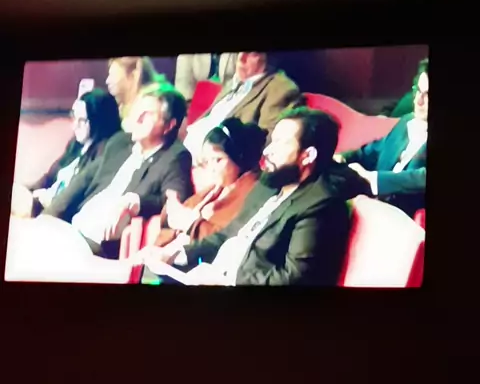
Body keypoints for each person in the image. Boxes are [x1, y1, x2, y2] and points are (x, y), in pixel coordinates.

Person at [142, 108, 351, 287]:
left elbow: (294, 277)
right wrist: (176, 254)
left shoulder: (321, 205)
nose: (268, 150)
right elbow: (227, 235)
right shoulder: (268, 185)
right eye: (272, 141)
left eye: (281, 143)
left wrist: (227, 280)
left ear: (308, 155)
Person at [44, 83, 193, 257]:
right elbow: (82, 181)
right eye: (137, 111)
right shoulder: (120, 142)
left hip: (97, 246)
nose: (137, 119)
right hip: (73, 229)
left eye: (146, 114)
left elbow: (173, 202)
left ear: (169, 125)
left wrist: (136, 201)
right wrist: (47, 219)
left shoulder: (175, 156)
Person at [141, 118, 267, 254]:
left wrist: (190, 223)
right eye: (207, 161)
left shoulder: (251, 194)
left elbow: (224, 239)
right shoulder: (216, 189)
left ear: (238, 157)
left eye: (218, 160)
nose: (211, 168)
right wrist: (172, 210)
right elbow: (180, 214)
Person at [11, 89, 122, 220]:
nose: (74, 126)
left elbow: (70, 199)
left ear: (98, 121)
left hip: (50, 212)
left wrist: (39, 208)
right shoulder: (76, 145)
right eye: (74, 117)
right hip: (37, 202)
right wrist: (27, 191)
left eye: (82, 120)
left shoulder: (103, 155)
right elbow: (48, 178)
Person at [338, 59, 428, 217]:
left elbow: (421, 178)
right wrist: (342, 158)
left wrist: (373, 180)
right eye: (418, 91)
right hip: (369, 206)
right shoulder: (406, 121)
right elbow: (372, 151)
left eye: (427, 95)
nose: (418, 101)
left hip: (402, 218)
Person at [182, 52, 302, 163]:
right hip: (187, 145)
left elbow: (267, 143)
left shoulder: (280, 88)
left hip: (210, 159)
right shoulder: (234, 81)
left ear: (268, 59)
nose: (241, 58)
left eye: (251, 53)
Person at [106, 57, 167, 130]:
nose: (107, 81)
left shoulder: (148, 110)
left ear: (133, 75)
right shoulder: (122, 109)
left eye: (113, 75)